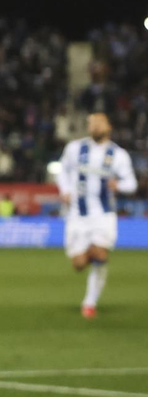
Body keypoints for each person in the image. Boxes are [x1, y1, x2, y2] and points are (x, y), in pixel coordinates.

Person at [57, 111, 138, 318]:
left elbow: (131, 184)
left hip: (104, 214)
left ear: (108, 126)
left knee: (100, 254)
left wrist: (117, 184)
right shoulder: (75, 149)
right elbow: (62, 171)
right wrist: (65, 190)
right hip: (77, 214)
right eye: (91, 123)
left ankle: (90, 302)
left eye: (98, 122)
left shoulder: (118, 155)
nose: (94, 126)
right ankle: (91, 255)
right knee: (79, 264)